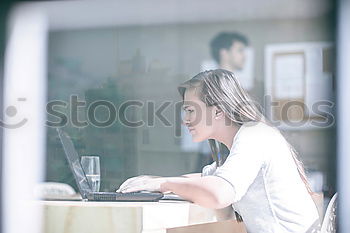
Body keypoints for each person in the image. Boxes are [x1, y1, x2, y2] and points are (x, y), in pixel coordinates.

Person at [117, 69, 320, 233]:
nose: (185, 119)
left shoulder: (254, 136)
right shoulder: (250, 137)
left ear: (217, 111)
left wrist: (163, 183)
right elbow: (208, 179)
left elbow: (219, 193)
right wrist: (152, 182)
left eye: (190, 110)